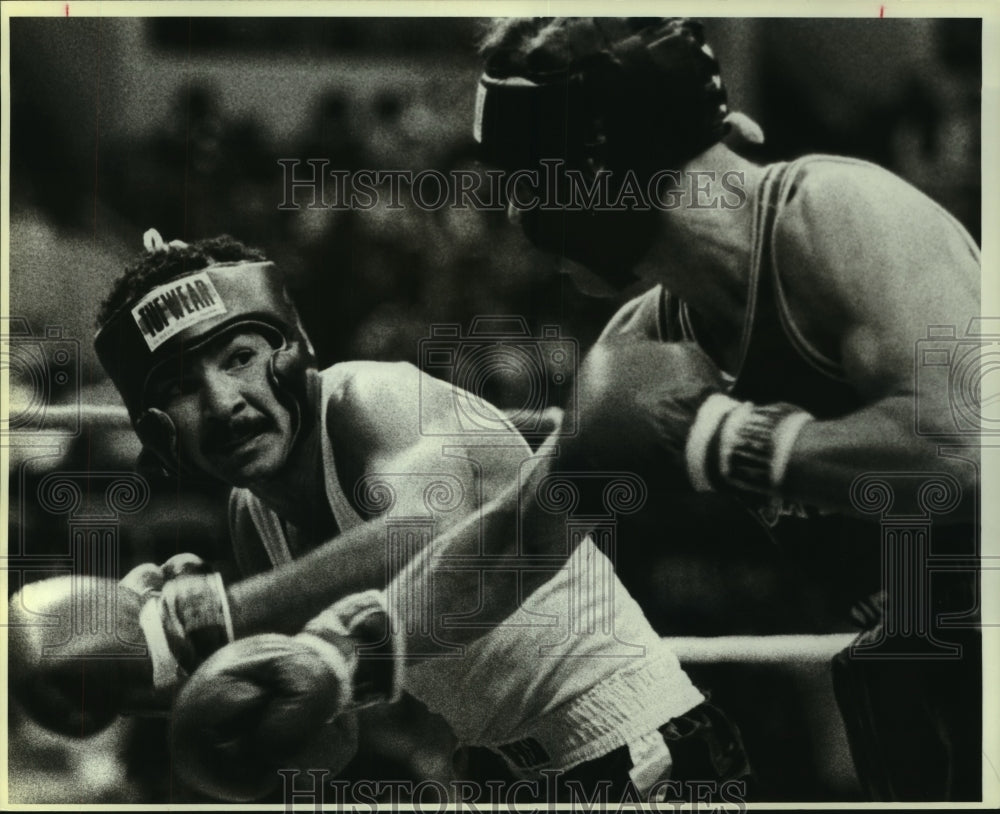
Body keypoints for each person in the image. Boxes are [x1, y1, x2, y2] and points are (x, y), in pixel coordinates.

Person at [8, 230, 749, 803]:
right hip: (501, 775)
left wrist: (203, 620)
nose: (225, 402)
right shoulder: (250, 515)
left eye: (237, 358)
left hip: (636, 743)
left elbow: (424, 533)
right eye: (180, 386)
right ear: (155, 427)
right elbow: (328, 734)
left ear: (290, 353)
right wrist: (158, 675)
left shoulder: (375, 399)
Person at [473, 16, 982, 802]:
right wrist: (341, 641)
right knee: (905, 663)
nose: (516, 217)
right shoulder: (646, 346)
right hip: (939, 681)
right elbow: (515, 545)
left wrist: (723, 439)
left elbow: (964, 452)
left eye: (522, 182)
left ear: (598, 170)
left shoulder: (838, 214)